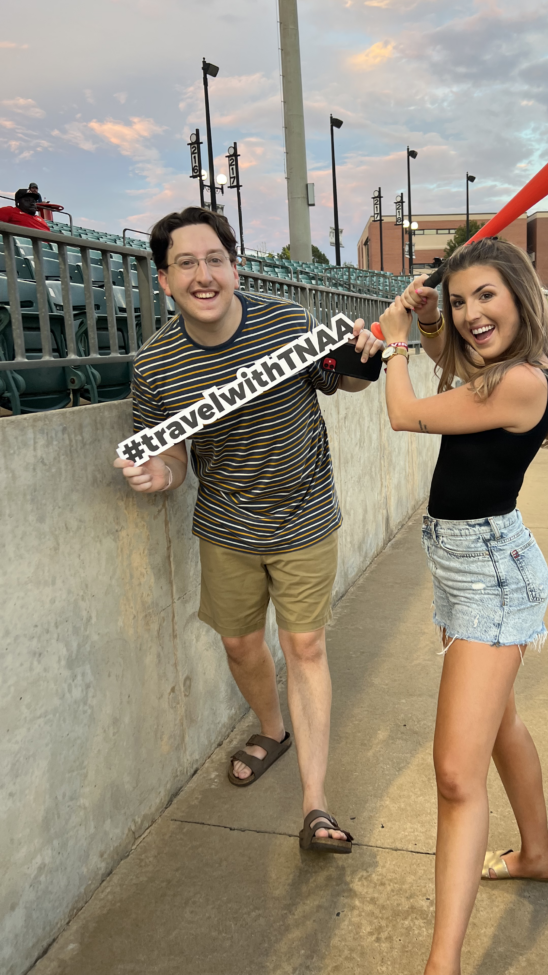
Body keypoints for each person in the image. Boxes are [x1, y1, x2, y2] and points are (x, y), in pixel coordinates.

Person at [114, 206, 382, 854]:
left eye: (215, 260)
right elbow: (173, 455)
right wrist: (162, 477)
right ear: (164, 280)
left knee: (305, 648)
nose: (203, 275)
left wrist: (363, 357)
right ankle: (273, 729)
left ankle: (315, 806)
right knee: (240, 647)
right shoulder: (155, 366)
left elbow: (340, 381)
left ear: (234, 266)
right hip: (227, 524)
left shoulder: (288, 323)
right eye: (186, 264)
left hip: (306, 513)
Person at [378, 237, 548, 975]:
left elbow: (407, 414)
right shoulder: (497, 371)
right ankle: (538, 853)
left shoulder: (520, 382)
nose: (470, 313)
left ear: (520, 294)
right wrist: (426, 325)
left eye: (485, 295)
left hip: (491, 575)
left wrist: (395, 344)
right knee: (499, 723)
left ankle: (441, 965)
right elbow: (454, 365)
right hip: (463, 564)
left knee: (456, 775)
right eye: (458, 302)